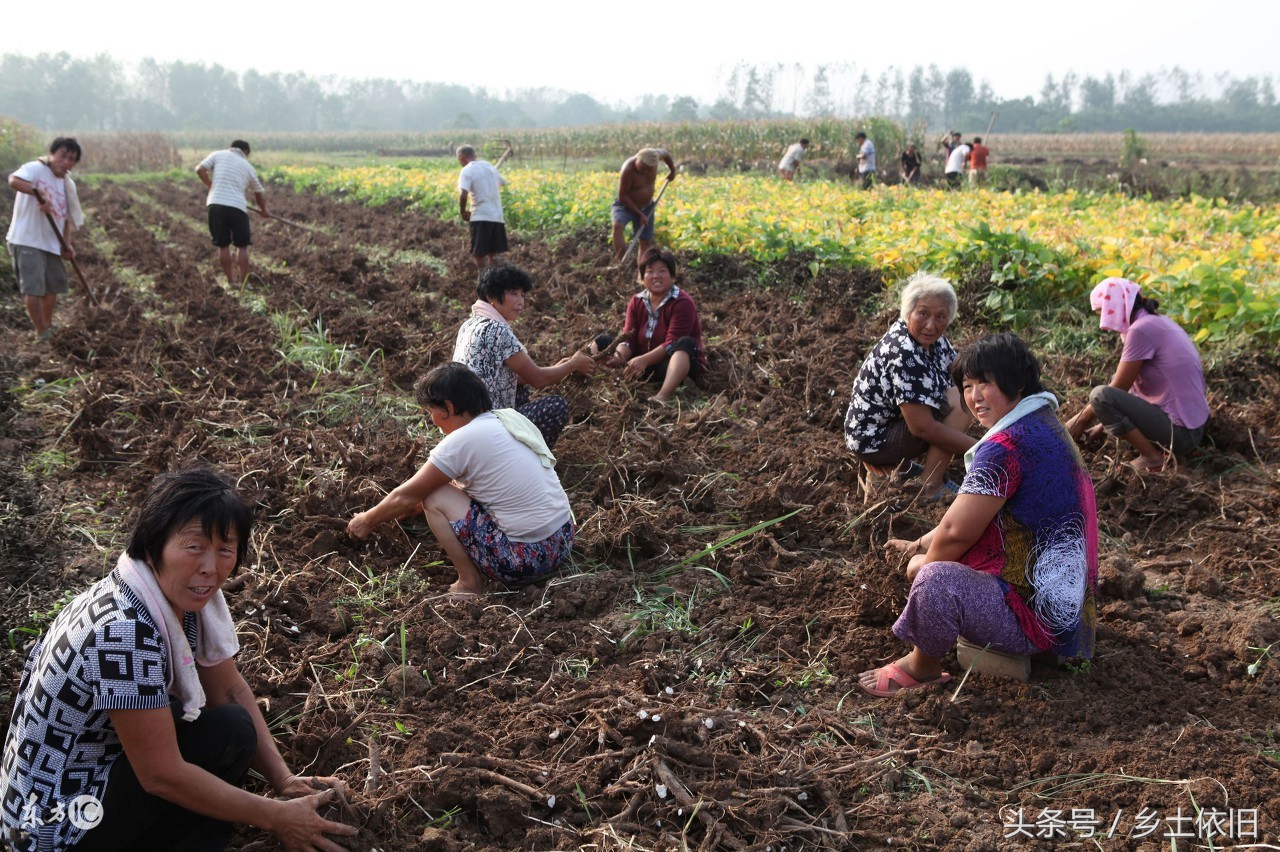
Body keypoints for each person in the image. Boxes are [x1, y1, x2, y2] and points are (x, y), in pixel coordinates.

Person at [0, 467, 357, 851]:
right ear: (154, 544)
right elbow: (161, 775)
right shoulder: (124, 631)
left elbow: (229, 691)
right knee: (219, 740)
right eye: (194, 547)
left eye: (225, 549)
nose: (211, 567)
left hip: (79, 785)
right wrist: (276, 816)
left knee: (231, 727)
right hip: (51, 826)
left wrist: (284, 781)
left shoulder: (167, 594)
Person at [860, 334, 1098, 697]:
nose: (974, 397)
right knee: (936, 560)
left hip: (1031, 619)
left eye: (985, 382)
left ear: (1017, 382)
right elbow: (970, 515)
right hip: (1065, 616)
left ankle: (920, 667)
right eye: (968, 386)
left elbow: (957, 533)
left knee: (937, 580)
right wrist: (919, 543)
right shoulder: (1045, 426)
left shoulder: (1005, 447)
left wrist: (923, 566)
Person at [347, 362, 576, 597]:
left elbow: (407, 495)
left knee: (435, 496)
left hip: (524, 560)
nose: (432, 420)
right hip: (563, 540)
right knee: (441, 489)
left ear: (448, 407)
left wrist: (366, 520)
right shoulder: (508, 418)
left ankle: (469, 584)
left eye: (430, 412)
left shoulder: (461, 441)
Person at [844, 271, 976, 498]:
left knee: (965, 395)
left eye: (941, 316)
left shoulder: (935, 342)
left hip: (891, 426)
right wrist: (983, 449)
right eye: (923, 313)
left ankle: (917, 473)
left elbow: (961, 376)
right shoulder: (903, 352)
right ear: (908, 312)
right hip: (874, 439)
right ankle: (929, 486)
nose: (930, 325)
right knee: (962, 403)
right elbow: (922, 427)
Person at [1065, 277, 1209, 473]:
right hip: (1193, 429)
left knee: (1100, 395)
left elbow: (1117, 389)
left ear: (1116, 306)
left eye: (1103, 313)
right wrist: (1102, 426)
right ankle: (1163, 454)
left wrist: (1080, 420)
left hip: (1181, 434)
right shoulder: (1157, 322)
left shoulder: (1141, 330)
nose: (1103, 323)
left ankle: (1152, 458)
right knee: (1105, 397)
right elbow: (1132, 393)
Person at [453, 265, 595, 447]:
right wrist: (573, 365)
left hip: (465, 424)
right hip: (489, 428)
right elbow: (538, 379)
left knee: (518, 387)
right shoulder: (498, 330)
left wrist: (557, 367)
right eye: (514, 293)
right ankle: (527, 462)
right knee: (557, 406)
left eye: (522, 295)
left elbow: (502, 376)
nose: (521, 301)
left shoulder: (469, 324)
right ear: (491, 296)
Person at [596, 247, 707, 405]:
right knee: (603, 341)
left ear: (672, 276)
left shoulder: (682, 303)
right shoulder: (637, 301)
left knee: (684, 343)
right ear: (642, 277)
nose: (656, 276)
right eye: (650, 271)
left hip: (674, 367)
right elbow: (629, 338)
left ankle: (663, 396)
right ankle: (589, 378)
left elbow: (671, 343)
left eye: (662, 271)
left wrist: (644, 360)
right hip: (644, 366)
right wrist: (618, 357)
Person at [6, 137, 84, 342]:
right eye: (63, 156)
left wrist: (66, 244)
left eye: (71, 159)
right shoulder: (35, 169)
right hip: (27, 239)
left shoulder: (68, 185)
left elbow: (66, 219)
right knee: (34, 288)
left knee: (53, 287)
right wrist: (38, 192)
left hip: (51, 242)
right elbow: (13, 180)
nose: (66, 162)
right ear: (52, 154)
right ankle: (41, 331)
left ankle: (48, 325)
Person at [196, 140, 268, 286]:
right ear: (246, 152)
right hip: (237, 207)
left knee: (223, 245)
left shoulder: (217, 154)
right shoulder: (248, 167)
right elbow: (259, 193)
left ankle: (230, 282)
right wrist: (264, 210)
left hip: (215, 204)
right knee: (242, 246)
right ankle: (243, 282)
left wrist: (210, 185)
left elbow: (200, 169)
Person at [611, 147, 676, 265]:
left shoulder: (655, 156)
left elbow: (666, 154)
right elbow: (623, 196)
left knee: (645, 241)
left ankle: (641, 276)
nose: (646, 172)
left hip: (647, 206)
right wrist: (639, 214)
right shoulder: (628, 169)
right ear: (638, 159)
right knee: (617, 227)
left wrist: (672, 170)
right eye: (643, 168)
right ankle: (623, 263)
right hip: (625, 205)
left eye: (649, 169)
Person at [456, 145, 509, 270]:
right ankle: (494, 279)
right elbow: (502, 183)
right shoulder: (489, 166)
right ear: (474, 156)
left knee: (479, 253)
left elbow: (463, 195)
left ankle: (484, 279)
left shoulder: (466, 170)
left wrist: (463, 212)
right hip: (497, 216)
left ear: (461, 159)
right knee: (493, 253)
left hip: (480, 215)